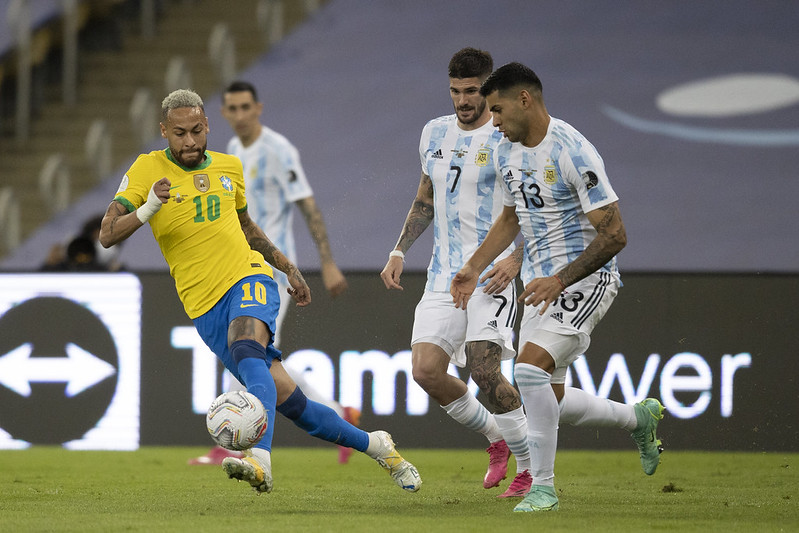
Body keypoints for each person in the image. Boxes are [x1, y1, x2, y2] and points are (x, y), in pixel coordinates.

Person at [99, 89, 421, 495]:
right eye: (179, 133)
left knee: (248, 348)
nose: (190, 142)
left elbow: (247, 228)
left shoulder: (230, 167)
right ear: (164, 131)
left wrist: (287, 267)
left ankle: (260, 461)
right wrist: (147, 208)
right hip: (204, 306)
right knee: (296, 407)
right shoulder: (147, 170)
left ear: (207, 126)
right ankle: (378, 446)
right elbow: (107, 234)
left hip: (249, 278)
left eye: (197, 131)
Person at [451, 62, 664, 512]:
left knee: (528, 373)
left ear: (525, 100)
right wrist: (474, 267)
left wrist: (560, 279)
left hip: (587, 280)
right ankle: (638, 418)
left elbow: (616, 234)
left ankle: (544, 488)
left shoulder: (572, 151)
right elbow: (511, 218)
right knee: (548, 396)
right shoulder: (507, 149)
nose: (493, 120)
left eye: (498, 109)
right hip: (541, 287)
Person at [381, 48, 532, 498]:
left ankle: (531, 469)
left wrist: (516, 258)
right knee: (425, 370)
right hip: (443, 276)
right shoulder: (433, 133)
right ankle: (497, 440)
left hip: (490, 275)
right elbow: (426, 198)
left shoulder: (508, 137)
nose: (463, 100)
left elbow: (531, 207)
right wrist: (399, 249)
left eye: (471, 91)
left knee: (486, 371)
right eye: (455, 91)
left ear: (488, 89)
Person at [189, 80, 357, 466]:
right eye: (232, 108)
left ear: (258, 108)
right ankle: (339, 412)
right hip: (233, 270)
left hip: (270, 274)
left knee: (244, 349)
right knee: (260, 358)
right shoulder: (230, 152)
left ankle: (232, 441)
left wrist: (326, 262)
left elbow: (308, 206)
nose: (240, 114)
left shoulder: (279, 150)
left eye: (246, 107)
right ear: (224, 114)